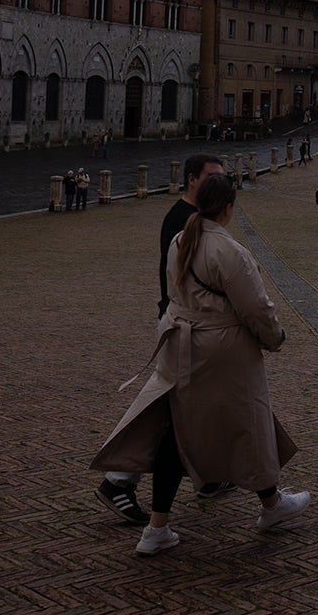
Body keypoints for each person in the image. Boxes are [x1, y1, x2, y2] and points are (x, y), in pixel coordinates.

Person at [91, 174, 310, 555]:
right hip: (221, 352)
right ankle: (270, 505)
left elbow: (175, 294)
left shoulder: (181, 240)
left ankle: (161, 527)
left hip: (181, 344)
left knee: (183, 432)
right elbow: (256, 308)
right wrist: (275, 338)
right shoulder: (230, 252)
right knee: (246, 423)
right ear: (228, 208)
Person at [98, 153, 229, 526]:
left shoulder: (194, 218)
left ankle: (210, 475)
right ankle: (117, 481)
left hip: (186, 325)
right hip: (183, 326)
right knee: (167, 409)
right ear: (192, 179)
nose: (219, 184)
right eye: (211, 177)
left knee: (198, 403)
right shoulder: (182, 221)